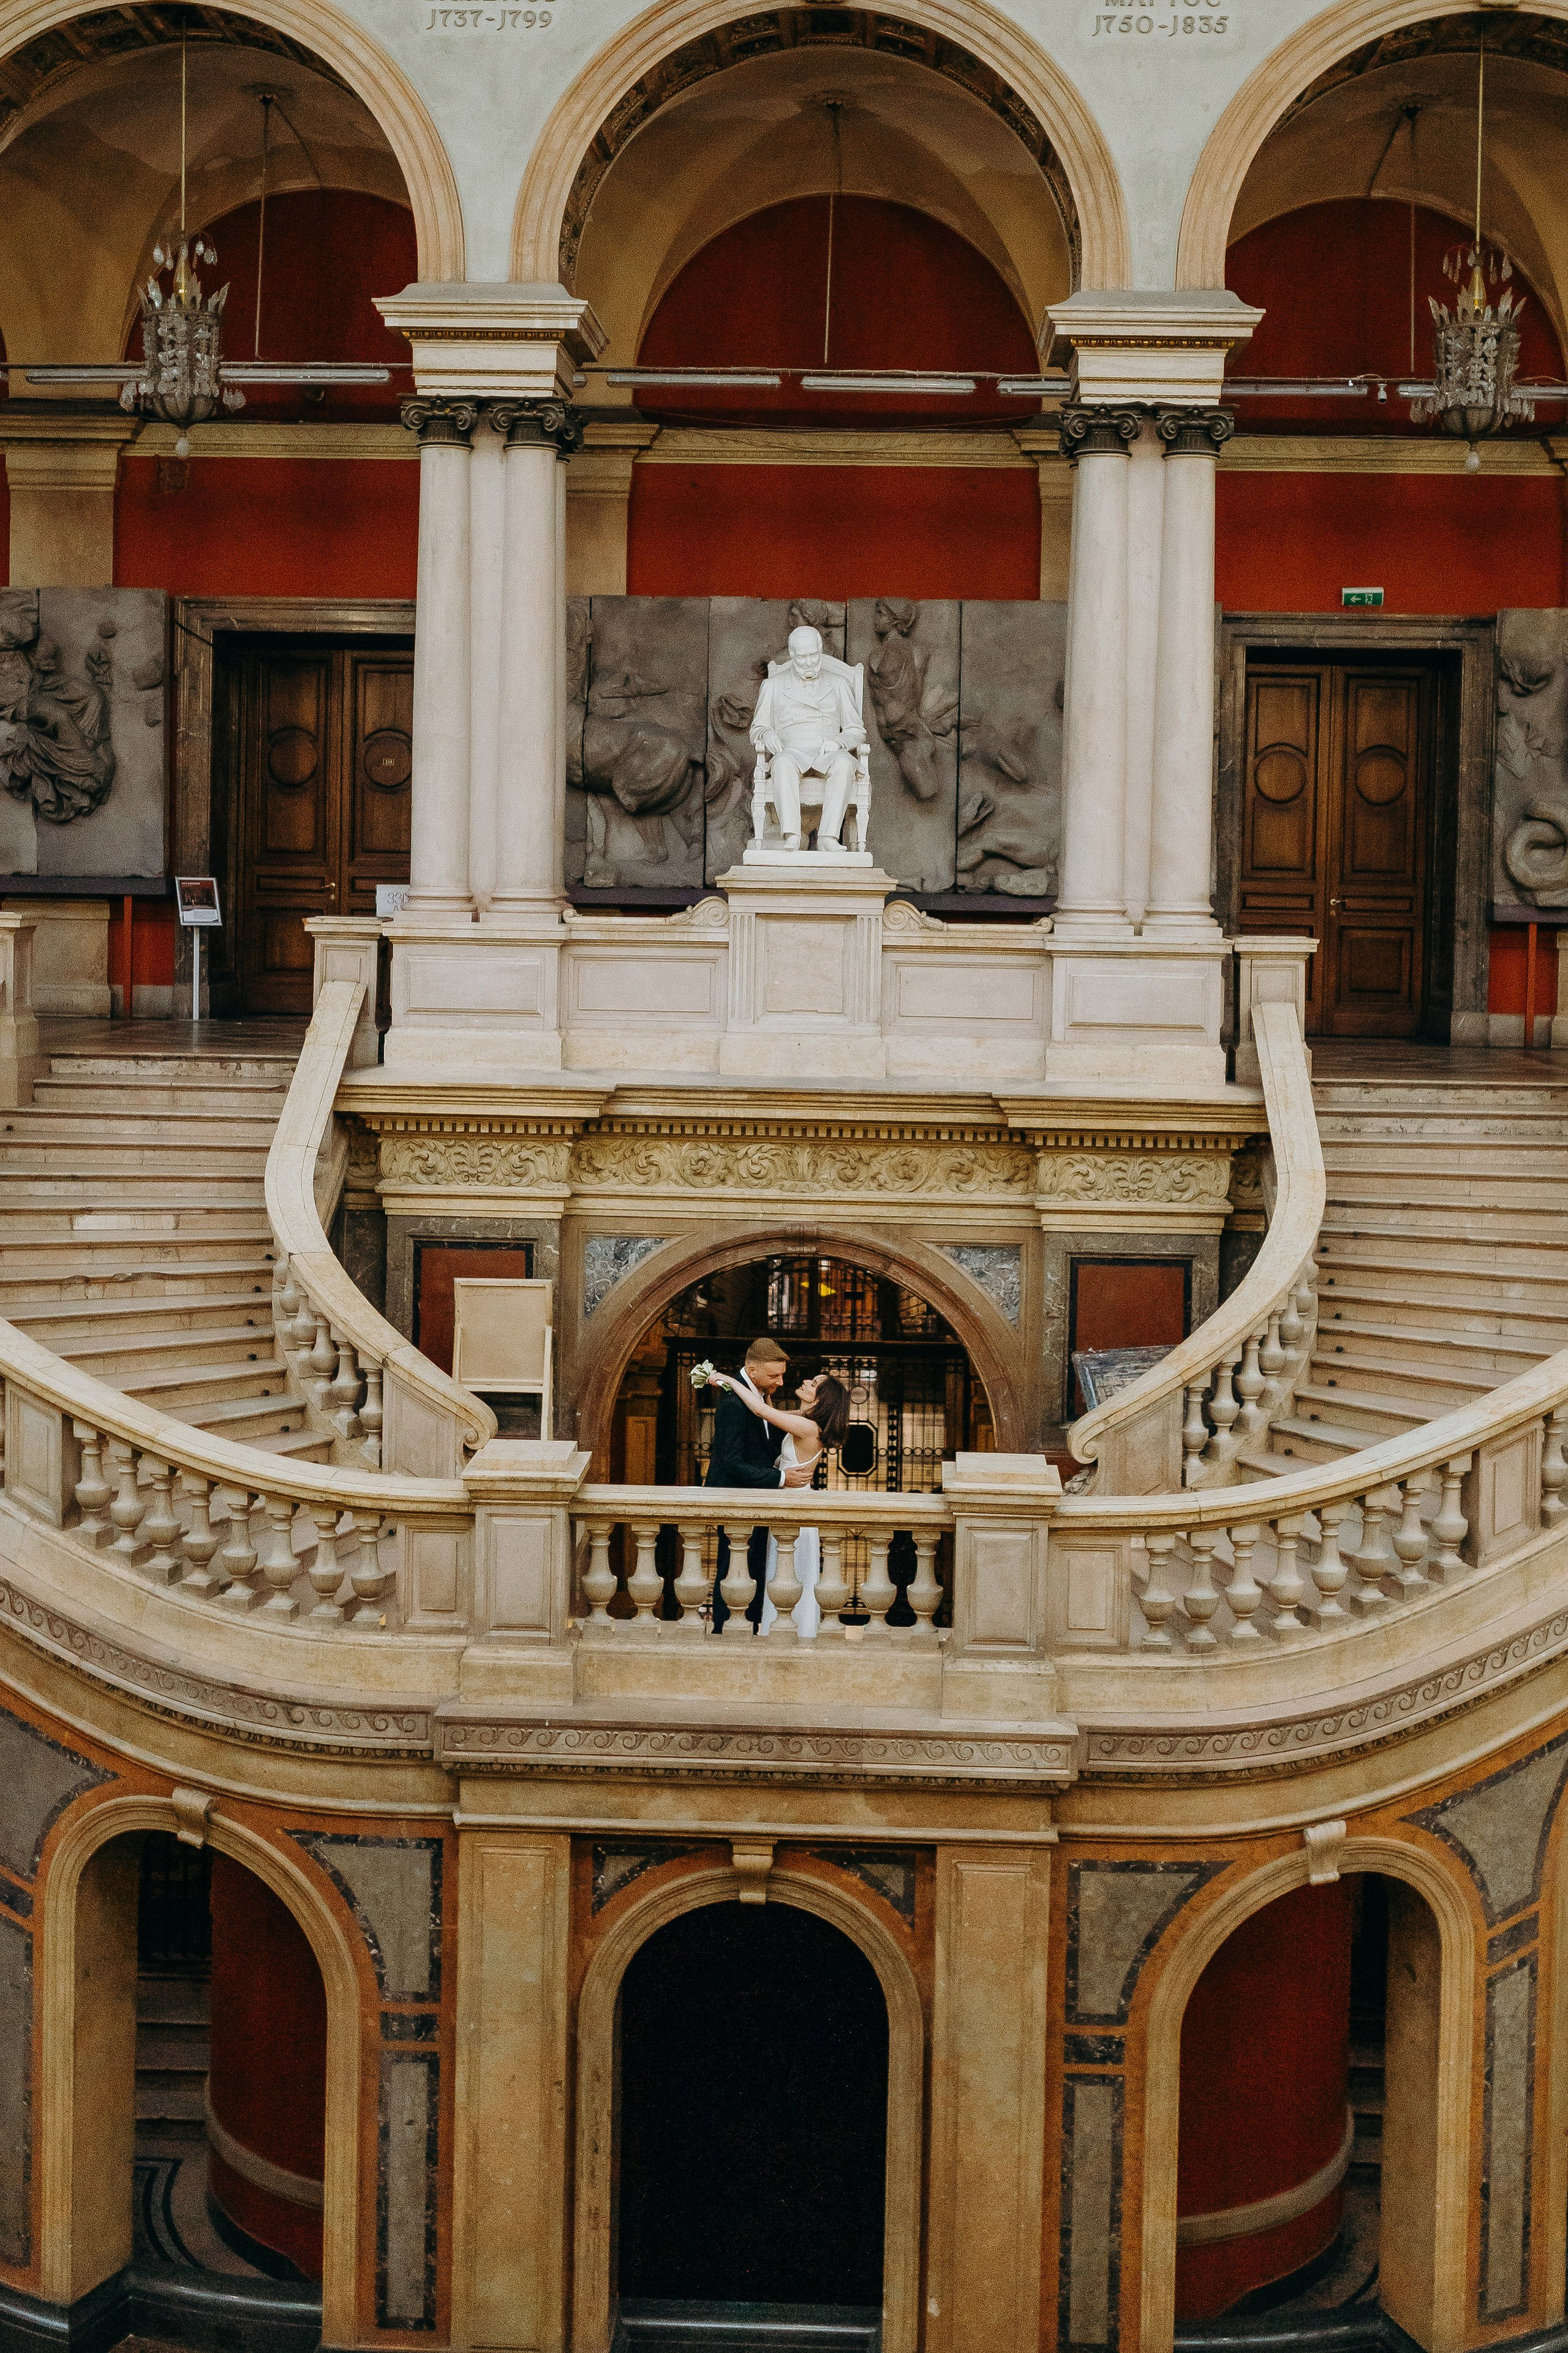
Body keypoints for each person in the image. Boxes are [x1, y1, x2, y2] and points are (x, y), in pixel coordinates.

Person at [706, 1368, 851, 1637]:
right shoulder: (805, 1420)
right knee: (784, 1573)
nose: (806, 1380)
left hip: (794, 1504)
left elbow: (761, 1412)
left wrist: (729, 1381)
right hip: (790, 1501)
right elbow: (767, 1411)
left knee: (790, 1574)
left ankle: (791, 1634)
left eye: (814, 1383)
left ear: (822, 1399)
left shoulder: (807, 1427)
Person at [703, 1337, 814, 1630]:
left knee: (752, 1567)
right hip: (734, 1500)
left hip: (756, 1499)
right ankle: (725, 1631)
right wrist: (781, 1478)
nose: (780, 1381)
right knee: (734, 1569)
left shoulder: (757, 1395)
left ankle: (751, 1627)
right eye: (774, 1375)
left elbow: (767, 1435)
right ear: (752, 1371)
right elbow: (730, 1463)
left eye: (781, 1374)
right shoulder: (732, 1402)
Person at [750, 624, 867, 850]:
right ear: (792, 655)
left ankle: (828, 838)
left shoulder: (840, 684)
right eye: (802, 657)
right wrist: (767, 732)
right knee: (782, 763)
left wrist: (840, 741)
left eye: (814, 656)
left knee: (845, 764)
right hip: (791, 752)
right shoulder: (773, 686)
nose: (809, 662)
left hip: (829, 753)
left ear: (821, 650)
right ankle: (792, 835)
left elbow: (857, 731)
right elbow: (757, 728)